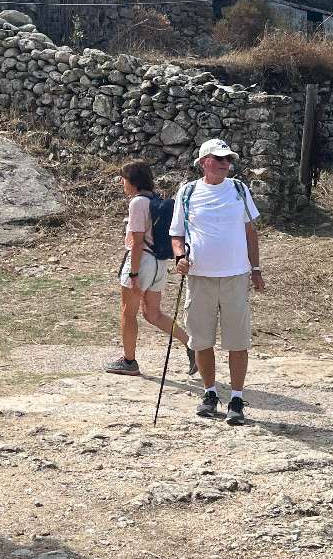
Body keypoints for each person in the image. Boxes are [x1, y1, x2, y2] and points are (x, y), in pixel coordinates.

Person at [169, 139, 264, 426]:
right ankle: (209, 393)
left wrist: (256, 269)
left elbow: (250, 232)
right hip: (200, 277)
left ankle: (236, 398)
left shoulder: (239, 189)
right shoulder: (187, 192)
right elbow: (177, 234)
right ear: (203, 162)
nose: (225, 163)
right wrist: (180, 257)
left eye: (228, 159)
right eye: (219, 158)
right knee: (201, 340)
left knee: (237, 340)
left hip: (236, 275)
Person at [104, 162, 195, 378]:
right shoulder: (156, 200)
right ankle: (192, 345)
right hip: (159, 263)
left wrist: (134, 274)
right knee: (153, 313)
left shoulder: (137, 203)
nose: (122, 183)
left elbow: (137, 242)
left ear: (133, 181)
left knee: (128, 312)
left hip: (142, 261)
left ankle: (129, 361)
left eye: (124, 179)